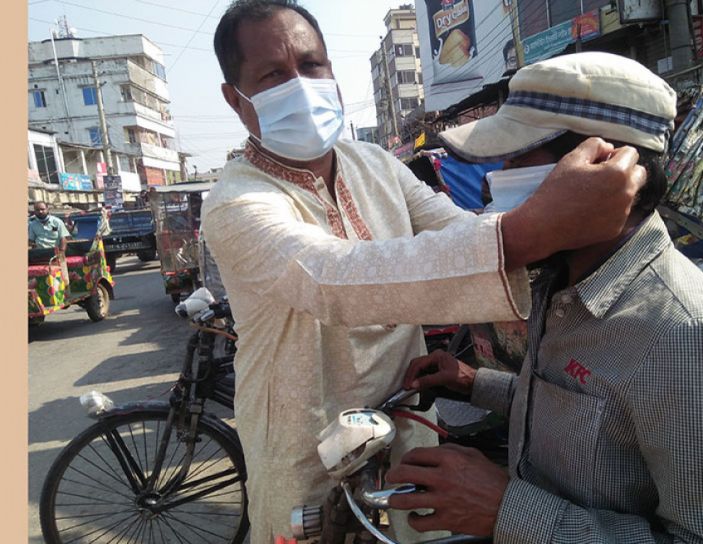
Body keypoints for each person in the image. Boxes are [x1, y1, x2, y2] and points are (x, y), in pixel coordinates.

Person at [203, 3, 648, 541]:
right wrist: (528, 231)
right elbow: (327, 280)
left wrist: (541, 221)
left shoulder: (373, 163)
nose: (300, 84)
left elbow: (459, 231)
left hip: (404, 418)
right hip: (304, 437)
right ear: (236, 98)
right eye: (273, 75)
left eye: (312, 64)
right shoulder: (236, 200)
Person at [387, 52, 703, 543]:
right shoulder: (563, 282)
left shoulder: (694, 340)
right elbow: (588, 418)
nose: (500, 176)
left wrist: (506, 511)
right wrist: (476, 382)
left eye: (518, 159)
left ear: (609, 168)